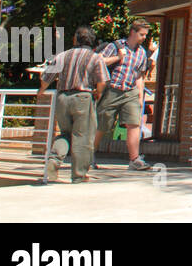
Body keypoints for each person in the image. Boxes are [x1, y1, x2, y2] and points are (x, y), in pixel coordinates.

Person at [36, 26, 108, 183]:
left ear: (76, 39)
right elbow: (102, 81)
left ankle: (53, 162)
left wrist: (41, 91)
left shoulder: (63, 56)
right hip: (83, 98)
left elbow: (46, 78)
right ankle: (79, 175)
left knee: (65, 134)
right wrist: (98, 93)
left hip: (62, 98)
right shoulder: (95, 58)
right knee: (82, 137)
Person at [94, 19, 157, 171]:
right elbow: (99, 62)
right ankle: (88, 155)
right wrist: (117, 58)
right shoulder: (115, 46)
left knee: (134, 124)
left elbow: (139, 76)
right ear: (133, 32)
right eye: (141, 34)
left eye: (145, 35)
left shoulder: (141, 52)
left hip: (130, 92)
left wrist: (141, 97)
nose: (143, 38)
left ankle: (134, 159)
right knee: (103, 125)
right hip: (112, 90)